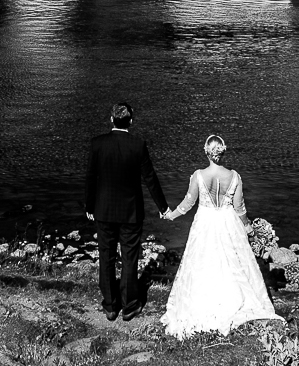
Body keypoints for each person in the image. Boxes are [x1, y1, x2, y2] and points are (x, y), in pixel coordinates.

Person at [158, 134, 282, 338]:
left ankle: (206, 301)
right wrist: (249, 228)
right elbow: (239, 207)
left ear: (206, 152)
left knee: (203, 260)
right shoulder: (234, 176)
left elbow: (188, 203)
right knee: (233, 261)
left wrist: (171, 215)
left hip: (205, 222)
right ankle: (233, 299)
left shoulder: (198, 175)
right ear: (222, 152)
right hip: (228, 221)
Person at [84, 102, 168, 320]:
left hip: (103, 210)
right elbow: (150, 178)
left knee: (106, 256)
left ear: (111, 120)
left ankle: (111, 305)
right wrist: (163, 207)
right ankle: (130, 305)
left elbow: (90, 178)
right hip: (130, 212)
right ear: (131, 121)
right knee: (130, 257)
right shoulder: (138, 144)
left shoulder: (98, 144)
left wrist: (89, 206)